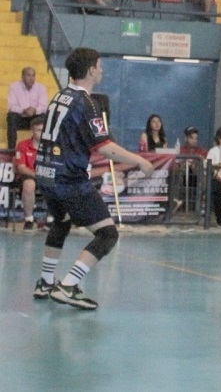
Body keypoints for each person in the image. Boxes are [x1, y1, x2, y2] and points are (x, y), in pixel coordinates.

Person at [32, 47, 154, 310]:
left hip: (46, 173)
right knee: (107, 234)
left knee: (61, 223)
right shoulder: (85, 103)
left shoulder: (60, 95)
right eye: (100, 66)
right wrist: (140, 160)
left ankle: (45, 282)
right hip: (68, 179)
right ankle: (68, 286)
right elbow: (104, 146)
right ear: (90, 71)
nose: (102, 70)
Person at [14, 116, 45, 231]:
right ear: (32, 130)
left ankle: (53, 219)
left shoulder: (51, 146)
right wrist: (37, 175)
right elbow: (21, 168)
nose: (42, 133)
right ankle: (29, 220)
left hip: (47, 175)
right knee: (29, 185)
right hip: (28, 175)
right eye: (39, 130)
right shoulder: (22, 145)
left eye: (44, 130)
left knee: (59, 182)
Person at [6, 66, 48, 149]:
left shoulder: (41, 88)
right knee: (11, 116)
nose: (31, 78)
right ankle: (11, 149)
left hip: (34, 118)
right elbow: (11, 106)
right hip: (21, 118)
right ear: (22, 76)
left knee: (44, 117)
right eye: (28, 75)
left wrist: (34, 110)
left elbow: (44, 106)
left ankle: (42, 147)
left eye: (33, 75)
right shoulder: (14, 87)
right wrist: (24, 110)